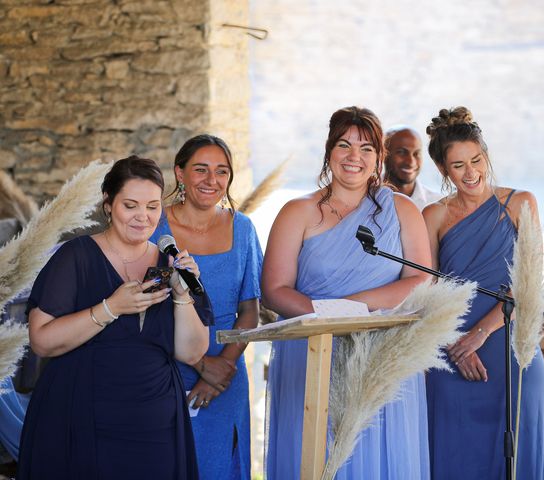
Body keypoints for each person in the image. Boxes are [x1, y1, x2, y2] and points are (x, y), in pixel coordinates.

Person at [262, 106, 432, 479]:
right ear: (329, 152)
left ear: (379, 158)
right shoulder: (297, 211)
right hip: (312, 348)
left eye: (367, 148)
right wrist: (327, 316)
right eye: (344, 145)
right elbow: (274, 291)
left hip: (381, 352)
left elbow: (421, 280)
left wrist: (351, 309)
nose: (355, 157)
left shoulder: (403, 210)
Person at [18, 156, 210, 479]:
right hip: (81, 417)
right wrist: (110, 308)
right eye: (130, 205)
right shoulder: (76, 257)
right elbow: (41, 340)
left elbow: (192, 352)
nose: (142, 217)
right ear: (108, 204)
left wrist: (182, 295)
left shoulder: (170, 262)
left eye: (152, 207)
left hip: (156, 425)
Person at [422, 107, 544, 479]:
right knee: (456, 454)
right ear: (442, 170)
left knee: (519, 451)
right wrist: (455, 344)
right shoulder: (432, 216)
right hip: (452, 353)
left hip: (510, 345)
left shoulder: (521, 203)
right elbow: (426, 291)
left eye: (477, 160)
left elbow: (530, 283)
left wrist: (480, 333)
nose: (471, 173)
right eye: (458, 165)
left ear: (486, 155)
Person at [150, 135, 262, 480]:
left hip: (227, 378)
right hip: (163, 368)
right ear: (180, 173)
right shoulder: (153, 226)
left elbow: (250, 310)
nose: (211, 181)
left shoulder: (242, 229)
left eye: (222, 172)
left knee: (221, 466)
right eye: (201, 169)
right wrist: (201, 364)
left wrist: (221, 370)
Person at [383, 126, 440, 209]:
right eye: (402, 152)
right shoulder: (364, 197)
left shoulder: (437, 204)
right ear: (383, 154)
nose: (410, 162)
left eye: (416, 154)